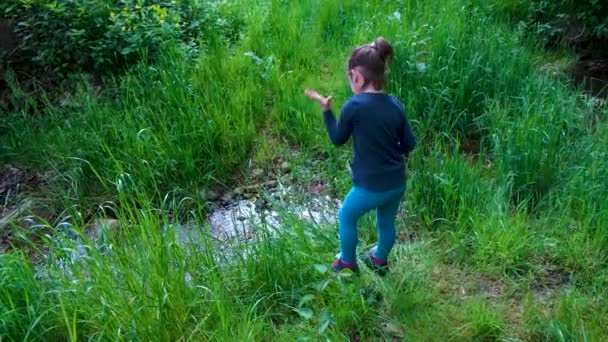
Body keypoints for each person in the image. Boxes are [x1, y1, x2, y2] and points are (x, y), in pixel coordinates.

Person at [305, 37, 416, 276]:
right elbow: (409, 143)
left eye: (349, 78)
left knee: (346, 216)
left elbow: (337, 138)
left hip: (370, 185)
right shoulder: (395, 104)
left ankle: (347, 263)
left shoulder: (353, 106)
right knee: (386, 222)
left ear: (356, 75)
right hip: (396, 182)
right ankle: (379, 260)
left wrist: (326, 110)